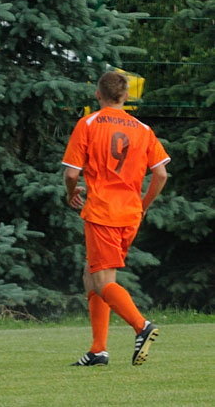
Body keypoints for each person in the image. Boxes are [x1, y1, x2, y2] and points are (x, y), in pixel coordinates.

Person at [62, 71, 170, 367]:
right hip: (130, 214)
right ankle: (98, 350)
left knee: (101, 280)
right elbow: (160, 174)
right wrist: (144, 205)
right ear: (125, 97)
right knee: (91, 273)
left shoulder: (89, 124)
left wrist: (71, 193)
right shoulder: (143, 129)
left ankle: (141, 325)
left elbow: (71, 173)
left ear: (98, 95)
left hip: (103, 212)